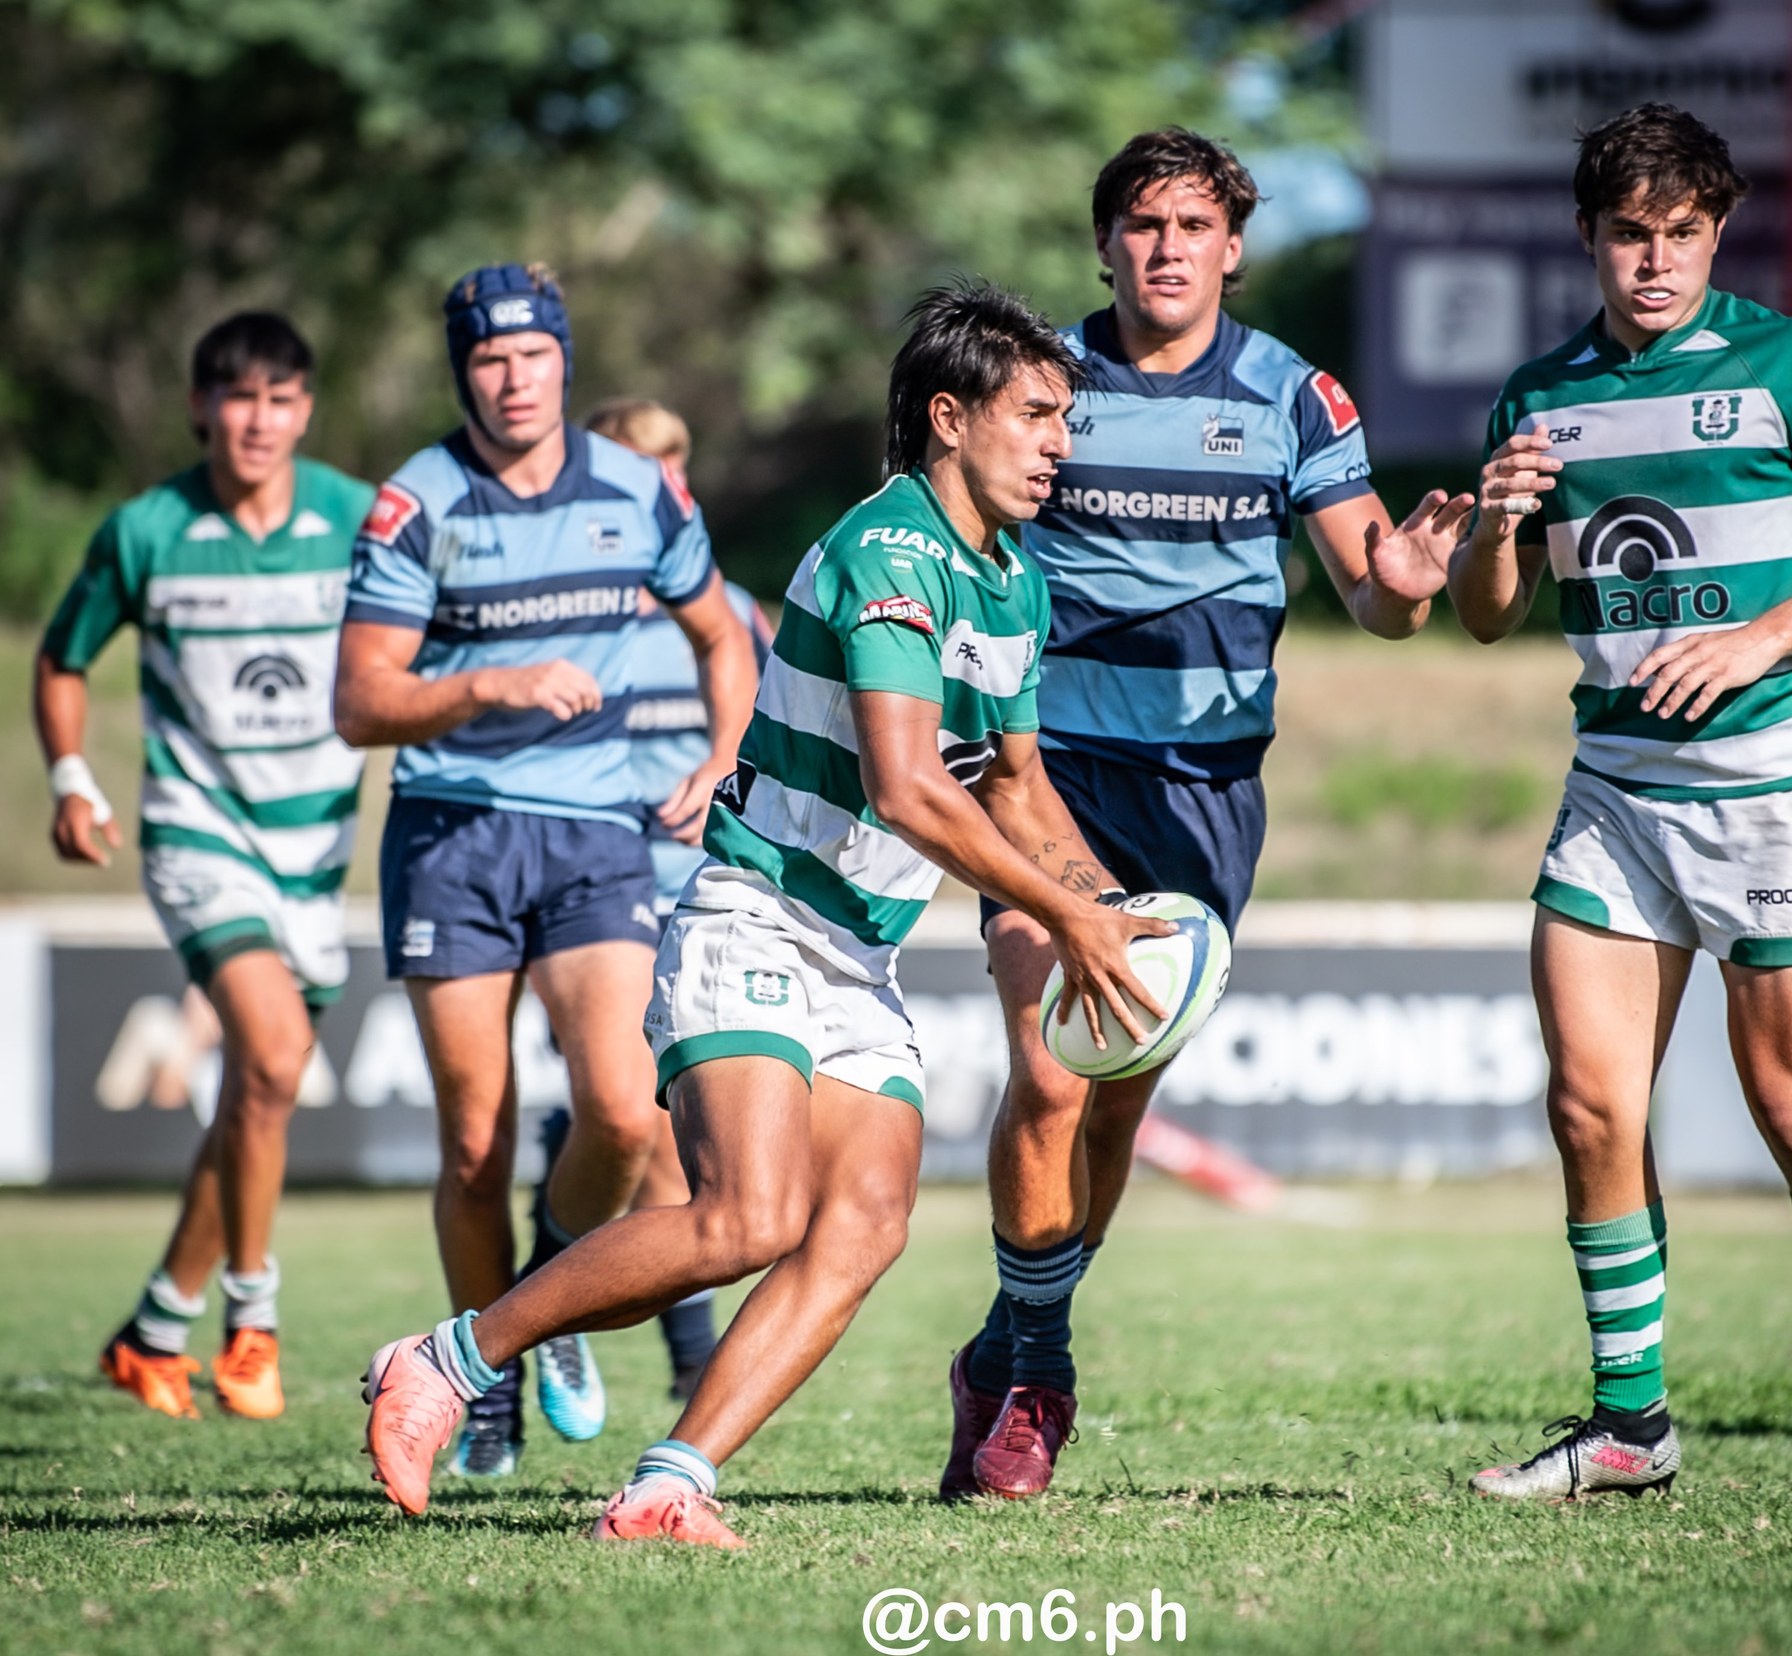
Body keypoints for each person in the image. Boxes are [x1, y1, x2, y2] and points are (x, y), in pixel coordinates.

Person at [362, 280, 1170, 1549]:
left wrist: (1115, 910)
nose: (1060, 442)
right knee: (745, 1218)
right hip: (758, 917)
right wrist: (1067, 924)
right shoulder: (887, 553)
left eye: (1065, 419)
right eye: (1038, 415)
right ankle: (452, 1358)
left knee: (865, 1222)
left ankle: (668, 1484)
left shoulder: (1010, 579)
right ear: (949, 418)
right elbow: (908, 788)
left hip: (858, 951)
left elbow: (1016, 785)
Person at [940, 128, 1474, 1501]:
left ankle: (1005, 1345)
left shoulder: (1297, 397)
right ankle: (1042, 1381)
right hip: (1042, 772)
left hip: (1206, 797)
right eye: (1139, 222)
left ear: (1234, 244)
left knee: (1114, 1103)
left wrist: (1408, 576)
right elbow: (961, 546)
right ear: (1105, 242)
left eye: (1192, 224)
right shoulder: (1039, 386)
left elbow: (1374, 595)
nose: (1165, 247)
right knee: (1053, 1067)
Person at [1445, 104, 1792, 1505]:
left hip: (1778, 792)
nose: (1654, 259)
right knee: (1592, 1108)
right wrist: (1494, 524)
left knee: (1791, 1105)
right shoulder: (1537, 396)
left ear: (1715, 231)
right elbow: (1487, 618)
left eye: (1680, 232)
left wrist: (1760, 637)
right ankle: (1629, 1428)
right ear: (1590, 237)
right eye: (1629, 233)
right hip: (1616, 798)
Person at [335, 264, 758, 1477]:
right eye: (486, 360)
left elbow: (722, 633)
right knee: (473, 1143)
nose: (511, 380)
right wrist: (486, 683)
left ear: (563, 360)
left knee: (626, 1113)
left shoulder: (636, 487)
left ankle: (547, 1282)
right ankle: (486, 1397)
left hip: (593, 833)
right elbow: (358, 701)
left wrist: (724, 753)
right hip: (452, 834)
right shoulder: (417, 503)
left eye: (531, 357)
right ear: (460, 371)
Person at [36, 312, 373, 1421]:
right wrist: (74, 780)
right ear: (200, 408)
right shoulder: (147, 529)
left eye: (280, 398)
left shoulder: (357, 520)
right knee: (271, 1058)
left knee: (256, 1097)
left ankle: (152, 1329)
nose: (258, 420)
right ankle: (252, 1320)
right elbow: (62, 660)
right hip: (198, 833)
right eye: (238, 398)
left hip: (315, 851)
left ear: (305, 410)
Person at [550, 395, 775, 1399]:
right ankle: (674, 1347)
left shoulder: (734, 615)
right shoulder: (564, 610)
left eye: (676, 463)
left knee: (681, 1135)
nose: (666, 486)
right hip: (603, 901)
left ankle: (561, 1247)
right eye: (644, 466)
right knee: (645, 1124)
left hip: (716, 901)